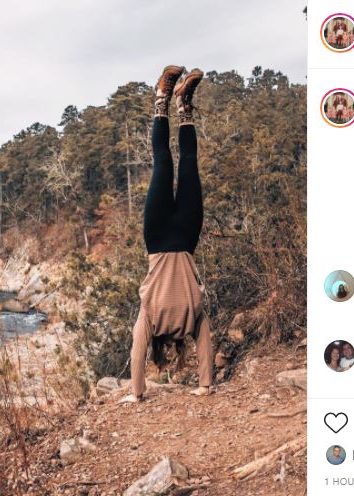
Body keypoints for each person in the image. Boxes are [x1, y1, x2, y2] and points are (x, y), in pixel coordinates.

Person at [120, 65, 214, 403]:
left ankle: (172, 102)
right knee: (166, 163)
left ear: (169, 347)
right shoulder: (153, 320)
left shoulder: (184, 320)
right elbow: (137, 353)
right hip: (160, 238)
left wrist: (205, 385)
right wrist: (137, 392)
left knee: (184, 163)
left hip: (183, 237)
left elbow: (205, 345)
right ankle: (174, 102)